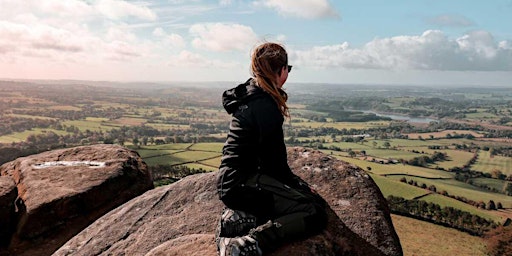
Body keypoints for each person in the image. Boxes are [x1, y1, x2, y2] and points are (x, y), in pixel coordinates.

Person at [215, 42, 327, 256]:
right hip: (242, 184)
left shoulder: (250, 93)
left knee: (297, 200)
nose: (288, 73)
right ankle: (246, 245)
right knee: (313, 211)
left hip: (232, 181)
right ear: (281, 71)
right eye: (288, 68)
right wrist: (301, 188)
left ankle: (240, 217)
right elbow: (276, 165)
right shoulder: (265, 107)